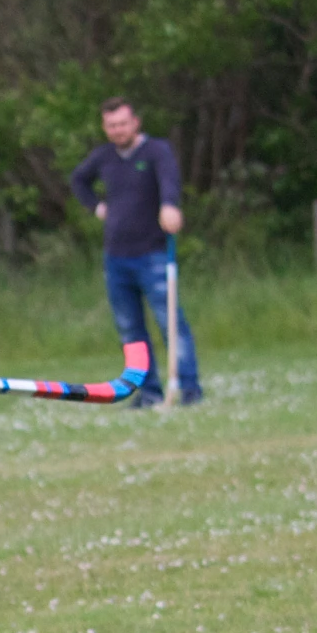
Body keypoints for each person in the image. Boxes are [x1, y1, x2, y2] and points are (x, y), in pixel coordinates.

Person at [69, 99, 200, 409]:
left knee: (170, 323)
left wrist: (170, 205)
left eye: (123, 123)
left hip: (153, 254)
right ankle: (148, 391)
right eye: (112, 125)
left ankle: (190, 389)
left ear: (135, 122)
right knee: (131, 330)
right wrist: (97, 207)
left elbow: (169, 180)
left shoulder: (156, 151)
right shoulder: (103, 156)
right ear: (105, 127)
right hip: (116, 258)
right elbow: (79, 180)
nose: (118, 130)